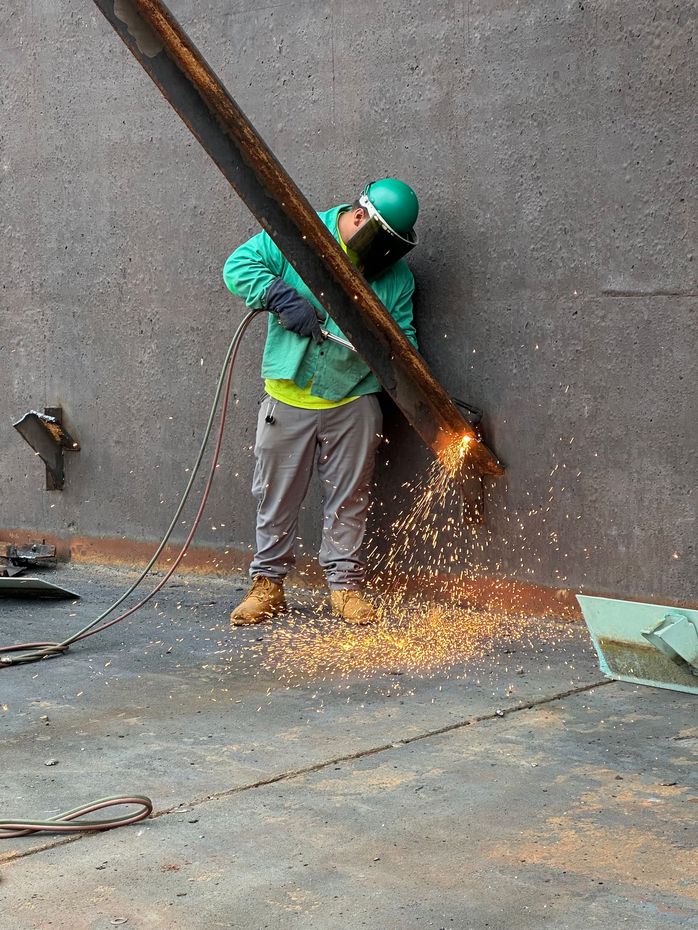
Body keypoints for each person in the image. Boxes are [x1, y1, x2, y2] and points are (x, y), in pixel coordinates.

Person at [223, 178, 419, 626]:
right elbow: (239, 265)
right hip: (288, 396)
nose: (383, 256)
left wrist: (391, 354)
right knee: (275, 495)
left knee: (350, 497)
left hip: (354, 399)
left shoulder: (397, 278)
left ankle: (345, 588)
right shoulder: (303, 236)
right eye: (380, 240)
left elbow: (404, 338)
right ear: (358, 217)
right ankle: (268, 585)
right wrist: (280, 296)